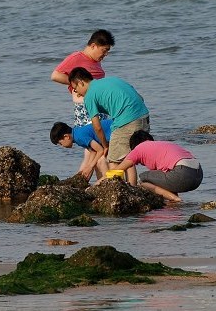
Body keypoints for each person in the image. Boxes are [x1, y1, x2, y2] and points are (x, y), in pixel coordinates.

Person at [68, 67, 150, 183]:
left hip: (127, 121)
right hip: (144, 116)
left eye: (75, 89)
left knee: (114, 160)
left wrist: (105, 145)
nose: (77, 93)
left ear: (81, 83)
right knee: (127, 158)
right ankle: (132, 188)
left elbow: (97, 126)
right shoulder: (112, 80)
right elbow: (140, 98)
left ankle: (119, 190)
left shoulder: (89, 95)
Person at [51, 30, 113, 174]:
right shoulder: (77, 57)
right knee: (95, 146)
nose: (105, 55)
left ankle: (85, 181)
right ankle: (97, 182)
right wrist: (76, 84)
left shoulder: (96, 63)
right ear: (93, 46)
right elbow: (55, 75)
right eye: (104, 51)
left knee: (93, 149)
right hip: (85, 107)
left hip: (98, 107)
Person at [108, 131, 203, 202]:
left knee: (143, 180)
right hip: (198, 176)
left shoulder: (138, 148)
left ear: (134, 145)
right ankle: (173, 200)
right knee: (159, 177)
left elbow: (119, 169)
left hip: (182, 173)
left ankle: (175, 199)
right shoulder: (163, 145)